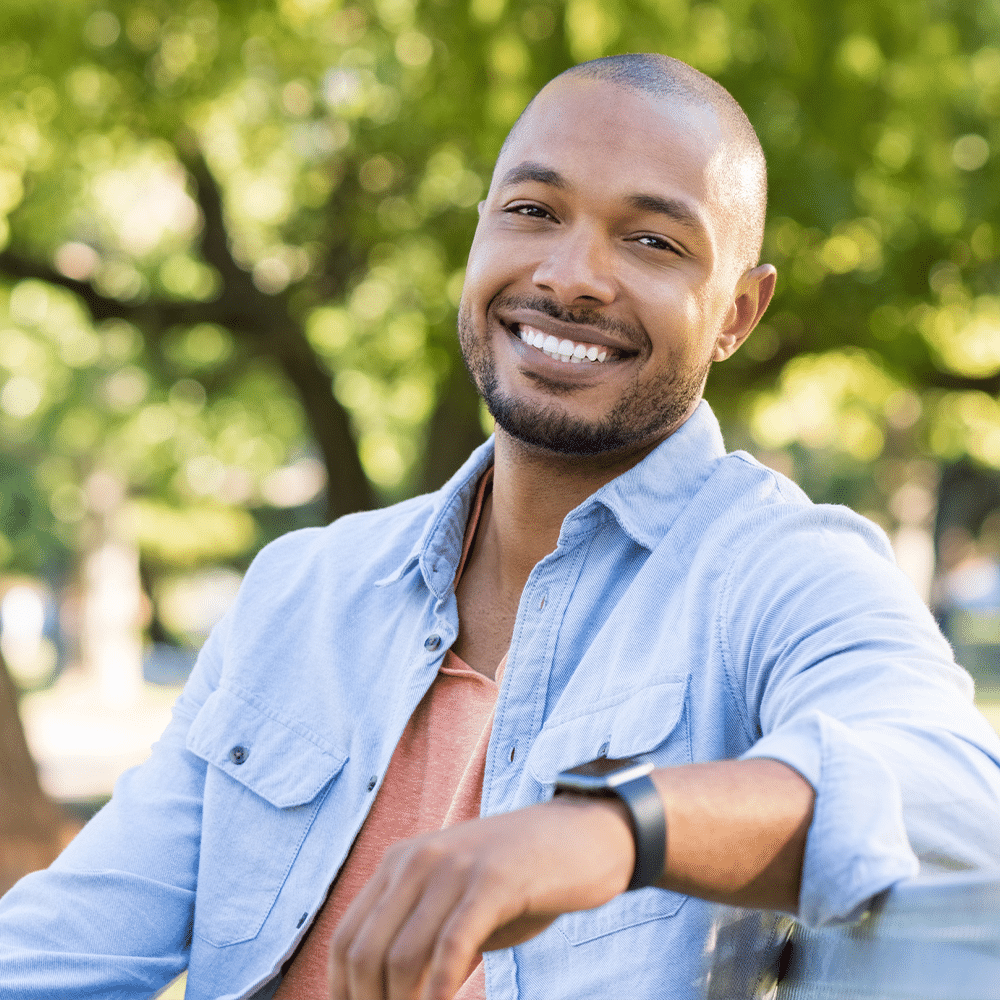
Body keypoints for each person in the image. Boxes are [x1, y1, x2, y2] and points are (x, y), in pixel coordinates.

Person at [2, 52, 1000, 1000]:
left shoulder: (777, 569)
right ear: (477, 237)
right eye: (532, 211)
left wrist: (611, 830)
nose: (571, 275)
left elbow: (951, 806)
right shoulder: (301, 590)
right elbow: (66, 945)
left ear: (736, 312)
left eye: (652, 239)